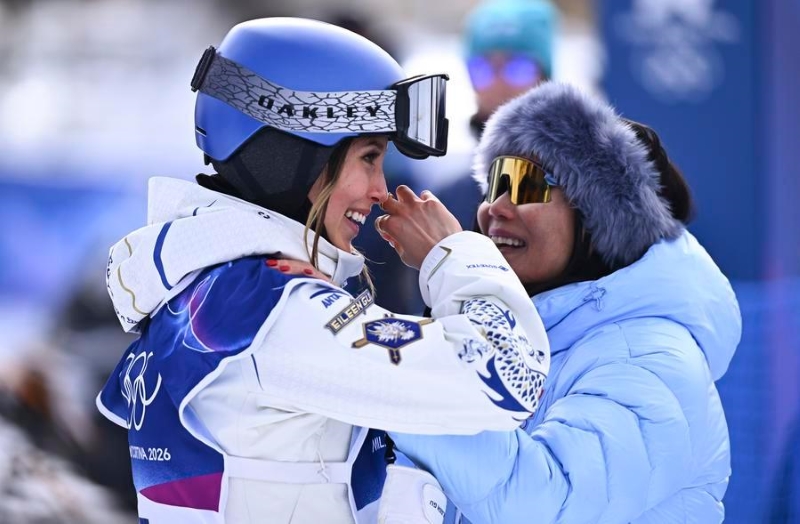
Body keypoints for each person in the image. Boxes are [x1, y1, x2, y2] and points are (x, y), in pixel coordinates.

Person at [96, 18, 549, 524]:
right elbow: (508, 378)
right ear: (292, 153)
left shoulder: (207, 291)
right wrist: (454, 251)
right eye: (369, 157)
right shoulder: (278, 317)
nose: (381, 190)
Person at [383, 82, 742, 523]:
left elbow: (543, 503)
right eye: (495, 181)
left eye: (523, 184)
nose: (493, 207)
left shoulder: (646, 357)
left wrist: (392, 379)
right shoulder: (540, 333)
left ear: (599, 217)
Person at [439, 0, 557, 231]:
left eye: (518, 68)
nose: (500, 83)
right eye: (482, 69)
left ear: (545, 77)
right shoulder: (448, 198)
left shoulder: (579, 187)